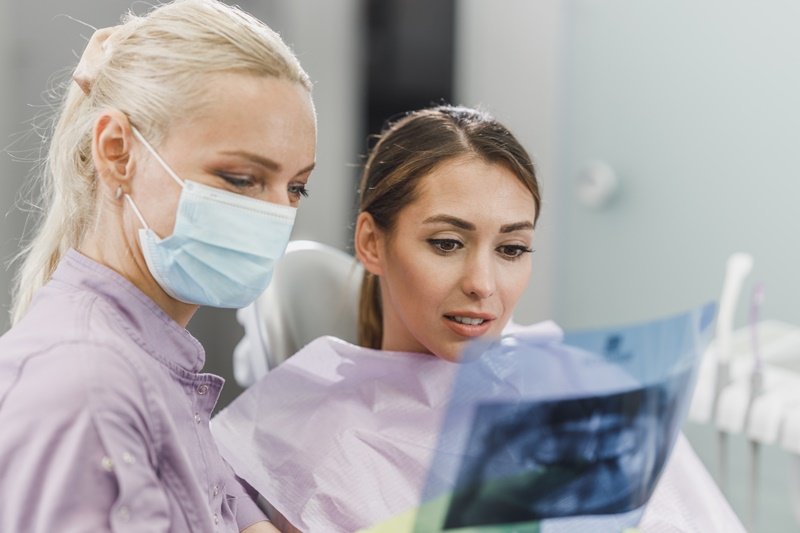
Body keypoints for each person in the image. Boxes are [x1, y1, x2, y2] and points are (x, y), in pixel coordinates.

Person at [211, 106, 747, 533]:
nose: (483, 284)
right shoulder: (317, 439)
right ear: (372, 243)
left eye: (512, 249)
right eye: (447, 243)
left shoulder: (586, 389)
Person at [0, 1, 316, 531]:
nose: (274, 215)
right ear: (118, 151)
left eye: (297, 187)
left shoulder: (152, 368)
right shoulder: (86, 391)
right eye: (241, 180)